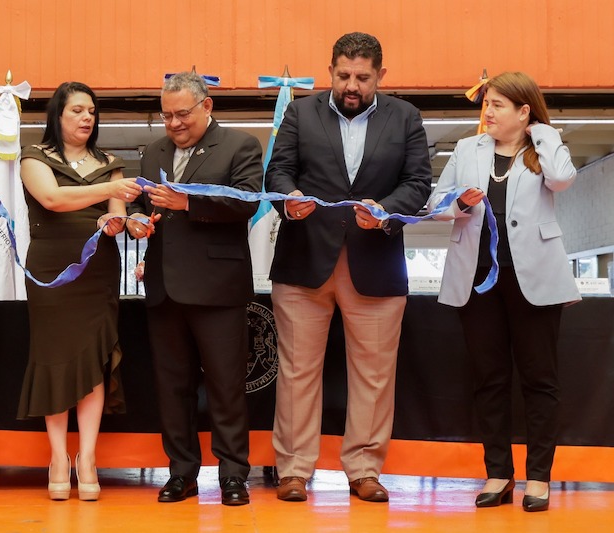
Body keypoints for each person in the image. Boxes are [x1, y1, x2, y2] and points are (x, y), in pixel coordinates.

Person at [266, 32, 432, 503]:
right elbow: (277, 172)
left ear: (381, 75)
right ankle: (293, 469)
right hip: (304, 261)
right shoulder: (300, 113)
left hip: (375, 261)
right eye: (343, 76)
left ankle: (364, 469)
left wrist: (386, 210)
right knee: (297, 372)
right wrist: (288, 198)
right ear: (330, 71)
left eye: (362, 77)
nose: (351, 86)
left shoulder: (406, 117)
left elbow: (418, 182)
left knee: (374, 375)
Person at [427, 71, 579, 512]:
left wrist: (542, 132)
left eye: (497, 105)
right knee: (489, 379)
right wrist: (460, 204)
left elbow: (562, 179)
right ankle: (498, 472)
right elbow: (437, 205)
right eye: (486, 104)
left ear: (523, 111)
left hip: (535, 278)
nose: (487, 112)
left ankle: (539, 477)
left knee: (540, 380)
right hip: (477, 279)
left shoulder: (545, 148)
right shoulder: (466, 149)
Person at [126, 72, 263, 506]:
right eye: (166, 116)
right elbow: (141, 203)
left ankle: (233, 475)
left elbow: (247, 202)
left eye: (182, 114)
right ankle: (181, 473)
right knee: (173, 388)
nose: (174, 124)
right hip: (164, 289)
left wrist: (189, 203)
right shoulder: (153, 151)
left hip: (218, 288)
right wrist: (134, 219)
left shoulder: (240, 145)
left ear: (207, 106)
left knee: (226, 387)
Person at [16, 82, 143, 502]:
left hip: (97, 271)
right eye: (77, 110)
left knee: (93, 361)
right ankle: (58, 458)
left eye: (91, 111)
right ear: (58, 115)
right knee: (54, 359)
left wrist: (120, 222)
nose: (87, 117)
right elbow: (52, 199)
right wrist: (109, 191)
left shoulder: (110, 163)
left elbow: (117, 218)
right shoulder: (34, 157)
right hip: (52, 271)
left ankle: (86, 458)